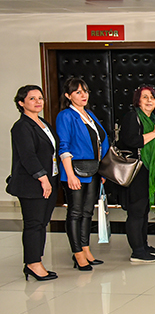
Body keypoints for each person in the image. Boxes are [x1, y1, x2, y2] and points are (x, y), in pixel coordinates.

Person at [56, 77, 108, 271]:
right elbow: (63, 146)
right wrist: (70, 175)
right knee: (75, 212)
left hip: (93, 170)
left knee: (87, 212)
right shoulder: (65, 115)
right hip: (74, 170)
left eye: (85, 91)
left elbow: (100, 142)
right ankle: (77, 252)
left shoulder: (89, 114)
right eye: (78, 92)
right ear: (68, 96)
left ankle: (85, 248)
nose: (83, 95)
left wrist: (102, 169)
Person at [8, 85, 59, 280]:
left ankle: (36, 260)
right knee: (34, 224)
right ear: (21, 103)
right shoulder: (21, 127)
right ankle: (32, 264)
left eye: (40, 98)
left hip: (49, 180)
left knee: (42, 223)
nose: (38, 102)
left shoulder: (42, 123)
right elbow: (28, 156)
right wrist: (43, 178)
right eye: (32, 98)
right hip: (32, 183)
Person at [116, 85, 155, 262]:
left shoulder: (153, 118)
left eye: (152, 97)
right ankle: (137, 251)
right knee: (136, 211)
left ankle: (144, 245)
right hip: (135, 169)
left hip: (147, 170)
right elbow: (132, 141)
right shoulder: (133, 117)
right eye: (145, 97)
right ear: (138, 100)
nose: (149, 100)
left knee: (144, 210)